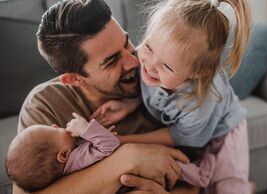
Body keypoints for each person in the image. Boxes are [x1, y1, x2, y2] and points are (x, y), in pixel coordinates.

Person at [13, 0, 197, 193]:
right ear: (74, 79)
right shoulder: (45, 104)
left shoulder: (163, 69)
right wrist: (126, 158)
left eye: (127, 44)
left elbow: (208, 161)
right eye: (112, 61)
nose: (134, 62)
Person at [95, 0, 252, 193]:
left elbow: (178, 136)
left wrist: (124, 140)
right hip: (197, 130)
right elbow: (152, 86)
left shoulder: (200, 102)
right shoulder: (149, 64)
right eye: (149, 48)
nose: (149, 66)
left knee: (228, 187)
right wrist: (129, 104)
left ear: (197, 73)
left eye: (167, 66)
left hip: (224, 134)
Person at [7, 113, 119, 192]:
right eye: (55, 130)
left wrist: (98, 136)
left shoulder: (71, 158)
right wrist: (87, 129)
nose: (55, 125)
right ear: (63, 155)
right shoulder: (78, 160)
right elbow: (112, 145)